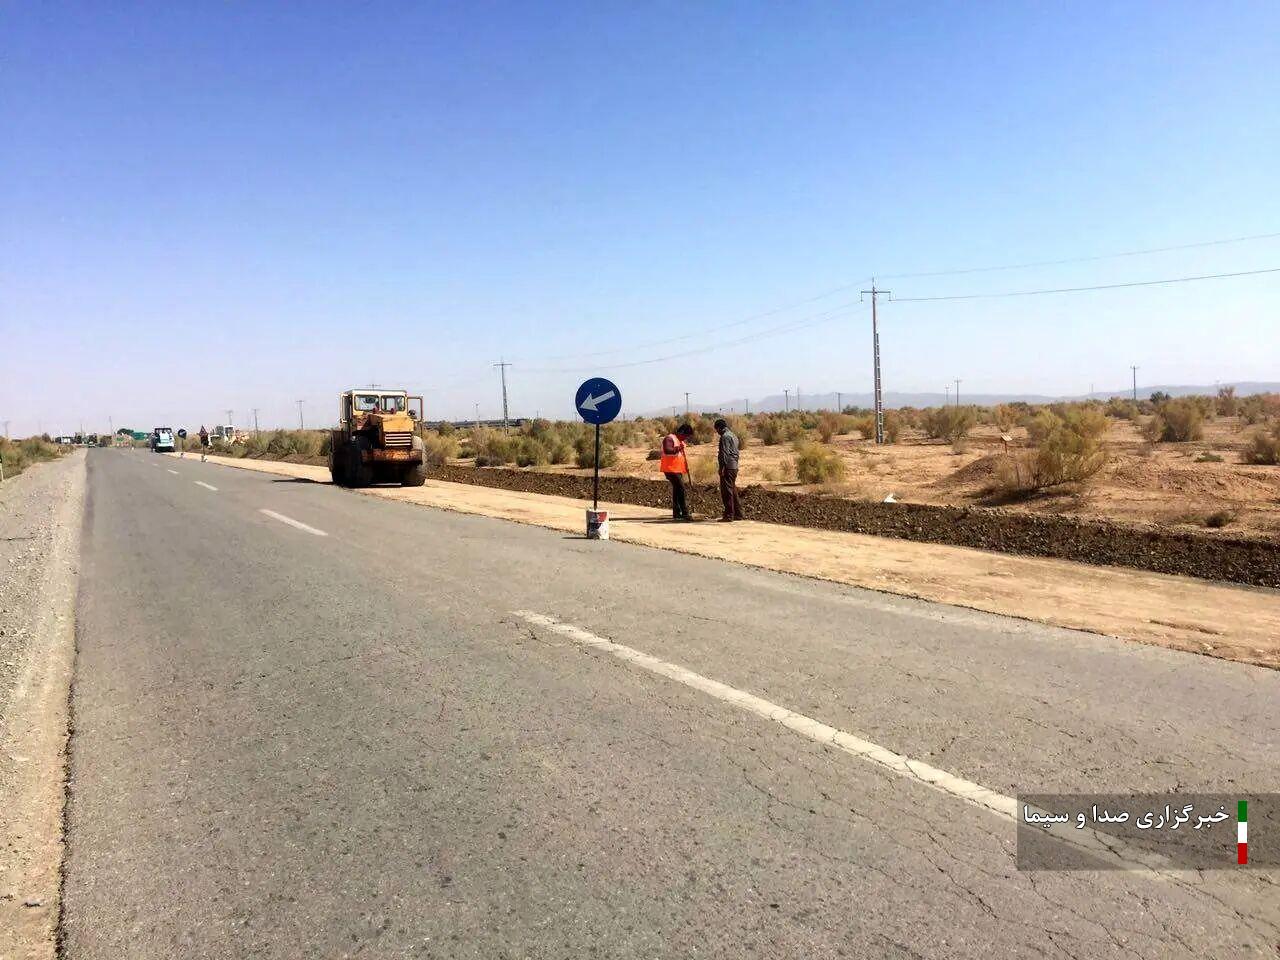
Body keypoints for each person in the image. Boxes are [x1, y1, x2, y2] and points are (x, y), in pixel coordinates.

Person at [659, 423, 695, 521]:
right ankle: (685, 513)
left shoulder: (679, 441)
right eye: (685, 436)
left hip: (677, 469)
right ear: (681, 432)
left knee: (677, 490)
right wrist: (679, 447)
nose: (686, 438)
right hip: (670, 469)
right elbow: (667, 450)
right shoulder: (669, 438)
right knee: (681, 489)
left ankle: (676, 512)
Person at [714, 418, 743, 522]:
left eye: (716, 430)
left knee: (727, 491)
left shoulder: (725, 437)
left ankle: (729, 515)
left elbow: (724, 453)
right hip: (734, 466)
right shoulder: (733, 435)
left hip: (728, 467)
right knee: (733, 490)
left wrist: (722, 467)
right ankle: (738, 514)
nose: (717, 432)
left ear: (719, 428)